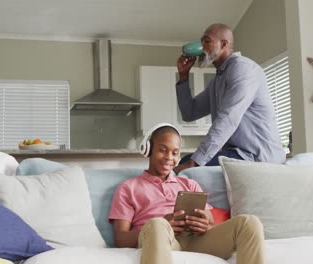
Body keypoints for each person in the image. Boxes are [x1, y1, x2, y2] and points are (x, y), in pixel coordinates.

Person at [109, 123, 265, 264]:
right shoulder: (128, 188)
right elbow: (121, 239)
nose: (169, 158)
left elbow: (210, 220)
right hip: (160, 238)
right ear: (148, 149)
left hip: (197, 239)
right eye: (162, 150)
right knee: (158, 223)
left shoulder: (189, 184)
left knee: (249, 222)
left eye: (175, 153)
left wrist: (207, 223)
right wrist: (164, 224)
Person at [173, 23, 285, 174]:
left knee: (188, 166)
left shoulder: (243, 69)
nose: (202, 47)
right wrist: (184, 77)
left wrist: (195, 161)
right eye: (201, 42)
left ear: (223, 44)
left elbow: (228, 118)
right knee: (185, 162)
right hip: (237, 155)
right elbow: (189, 113)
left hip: (258, 157)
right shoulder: (217, 81)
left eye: (207, 41)